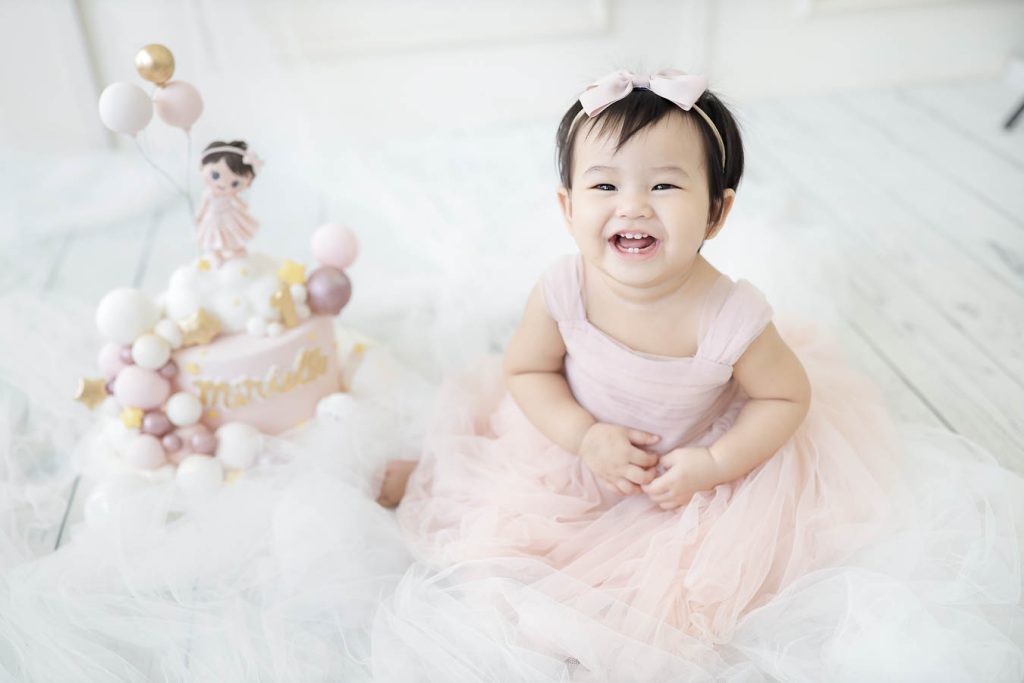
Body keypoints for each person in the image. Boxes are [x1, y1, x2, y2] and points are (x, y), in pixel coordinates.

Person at [374, 69, 1024, 678]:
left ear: (717, 212)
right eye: (605, 186)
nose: (632, 206)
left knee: (663, 600)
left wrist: (714, 462)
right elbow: (527, 369)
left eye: (663, 185)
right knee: (488, 517)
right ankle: (434, 470)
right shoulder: (562, 288)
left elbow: (784, 394)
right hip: (571, 450)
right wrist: (582, 434)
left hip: (683, 472)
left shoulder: (729, 313)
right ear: (568, 207)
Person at [194, 140, 262, 265]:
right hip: (213, 218)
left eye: (235, 184)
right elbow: (203, 207)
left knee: (232, 233)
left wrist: (243, 206)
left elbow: (239, 202)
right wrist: (199, 216)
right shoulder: (208, 195)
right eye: (215, 175)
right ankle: (216, 253)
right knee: (213, 236)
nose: (223, 184)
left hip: (229, 216)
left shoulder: (230, 196)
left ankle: (236, 251)